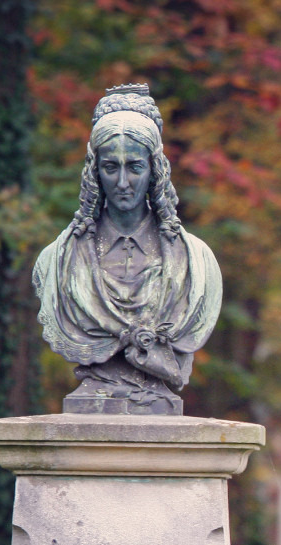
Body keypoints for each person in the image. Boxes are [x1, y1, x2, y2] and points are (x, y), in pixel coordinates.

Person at [33, 84, 221, 415]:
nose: (122, 182)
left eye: (134, 167)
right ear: (94, 171)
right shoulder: (57, 260)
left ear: (154, 170)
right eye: (110, 167)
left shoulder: (197, 263)